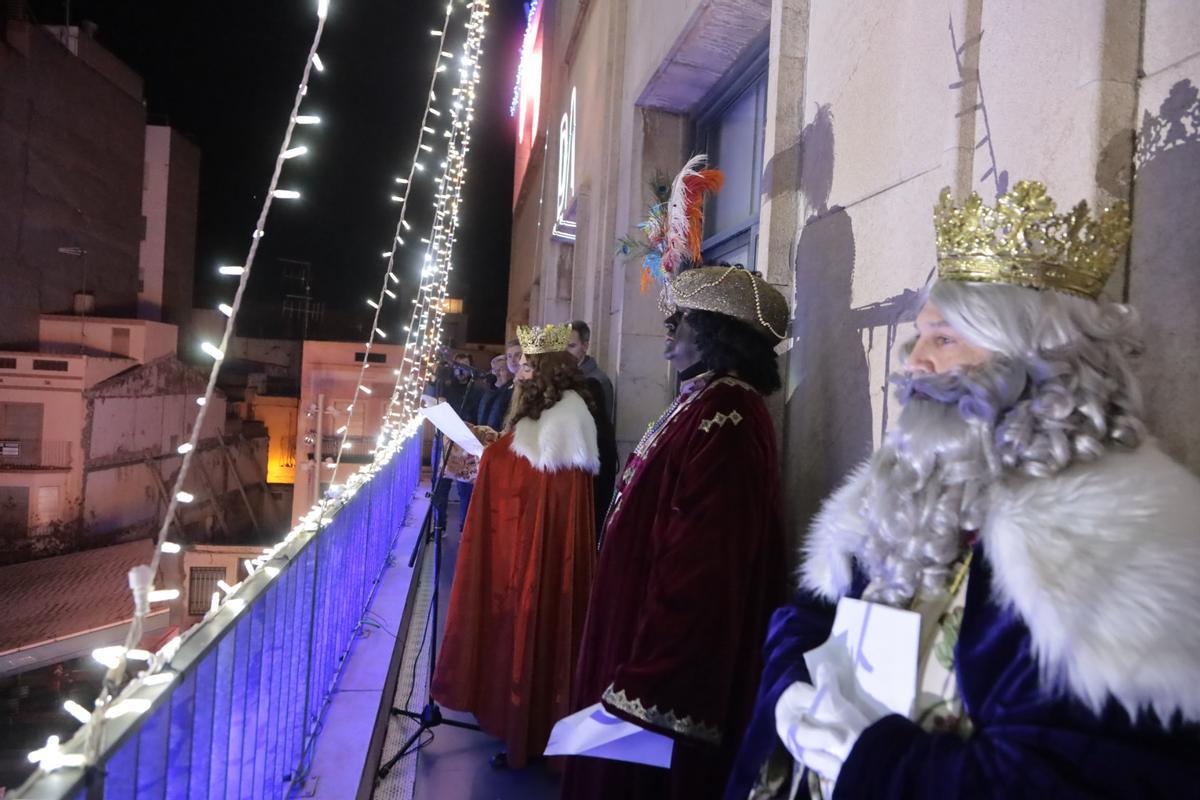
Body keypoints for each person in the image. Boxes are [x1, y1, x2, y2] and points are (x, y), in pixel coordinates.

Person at [728, 180, 1200, 799]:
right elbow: (813, 615)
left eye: (943, 338)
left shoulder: (1126, 529)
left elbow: (1102, 773)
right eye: (918, 336)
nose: (914, 362)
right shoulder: (899, 482)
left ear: (1028, 355)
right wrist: (788, 686)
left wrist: (880, 768)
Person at [562, 155, 790, 800]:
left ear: (714, 334)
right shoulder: (703, 400)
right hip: (632, 633)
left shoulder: (728, 413)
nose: (667, 331)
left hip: (658, 669)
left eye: (680, 320)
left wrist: (647, 677)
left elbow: (705, 566)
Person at [432, 323, 601, 769]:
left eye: (528, 365)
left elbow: (538, 485)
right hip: (525, 546)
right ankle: (517, 725)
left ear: (545, 369)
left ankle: (534, 732)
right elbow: (523, 464)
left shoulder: (567, 414)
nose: (520, 372)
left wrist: (491, 456)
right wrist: (495, 446)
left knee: (536, 630)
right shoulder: (547, 408)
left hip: (542, 555)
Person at [429, 352, 484, 530]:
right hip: (444, 439)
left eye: (465, 367)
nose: (461, 371)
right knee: (440, 487)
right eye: (458, 366)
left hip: (466, 442)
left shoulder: (477, 390)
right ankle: (440, 526)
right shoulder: (445, 388)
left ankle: (464, 528)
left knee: (465, 489)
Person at [567, 321, 614, 422]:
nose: (564, 351)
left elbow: (602, 427)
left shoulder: (598, 381)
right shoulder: (563, 375)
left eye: (571, 346)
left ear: (585, 346)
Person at [477, 353, 513, 431]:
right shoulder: (488, 391)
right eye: (494, 370)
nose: (496, 374)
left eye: (501, 370)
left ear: (510, 371)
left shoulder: (511, 394)